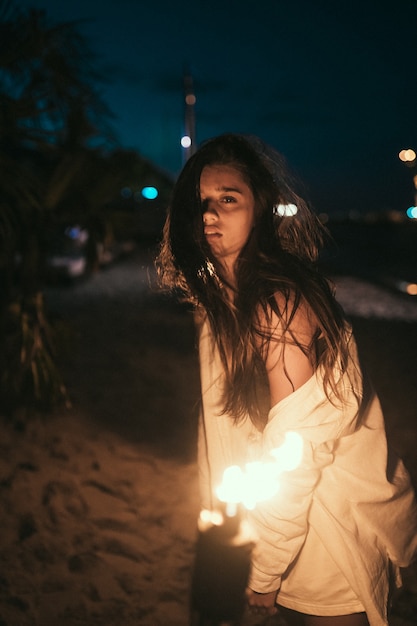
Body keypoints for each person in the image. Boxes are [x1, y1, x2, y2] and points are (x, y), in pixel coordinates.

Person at [155, 133, 417, 626]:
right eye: (200, 202)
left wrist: (264, 571)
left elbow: (297, 452)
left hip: (322, 540)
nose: (209, 214)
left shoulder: (279, 304)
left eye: (228, 199)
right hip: (263, 531)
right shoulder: (218, 299)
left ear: (260, 208)